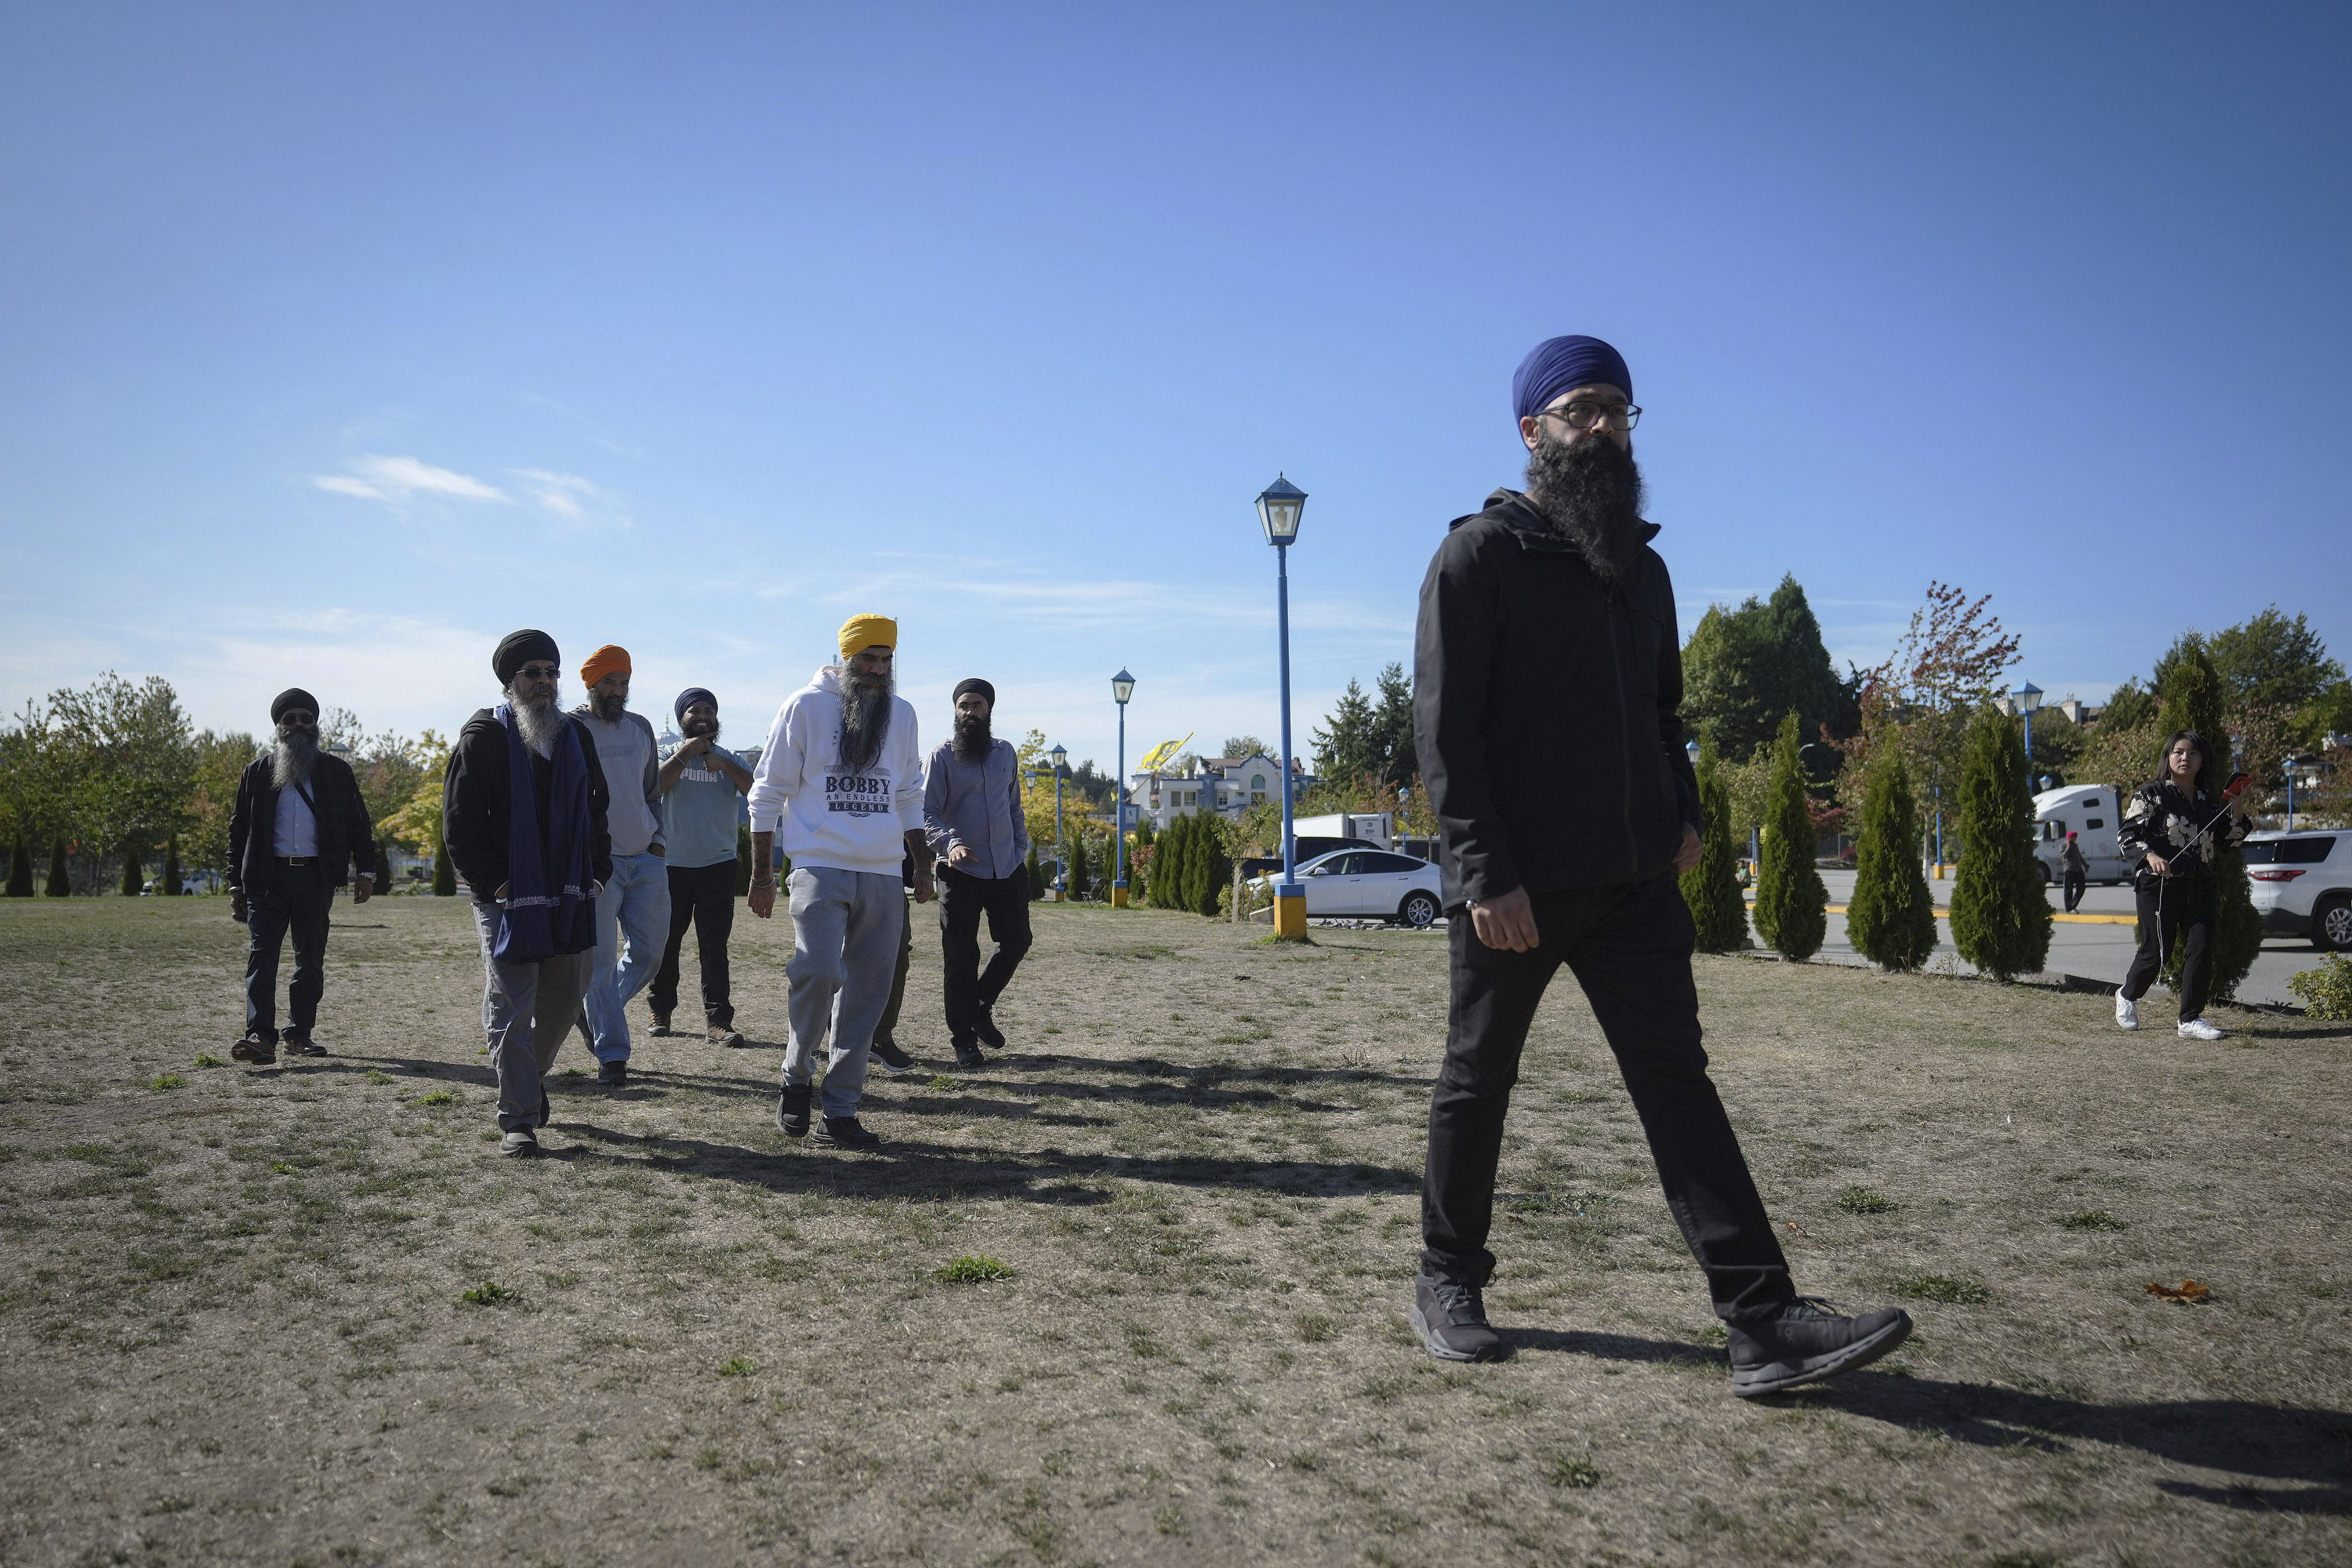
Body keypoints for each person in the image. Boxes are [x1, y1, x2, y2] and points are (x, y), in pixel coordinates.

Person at [1407, 334, 1912, 1394]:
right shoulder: (1478, 557)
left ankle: (1761, 1320)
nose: (1602, 427)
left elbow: (1662, 712)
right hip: (1518, 888)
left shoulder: (1643, 570)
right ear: (1532, 428)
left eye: (1617, 410)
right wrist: (1484, 872)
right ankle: (1447, 1277)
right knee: (1479, 1080)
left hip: (1634, 882)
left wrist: (1683, 812)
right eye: (1581, 409)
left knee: (1679, 1086)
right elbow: (1446, 732)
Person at [746, 615, 933, 1149]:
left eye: (885, 661)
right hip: (818, 866)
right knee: (819, 970)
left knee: (868, 993)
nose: (876, 671)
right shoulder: (805, 706)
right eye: (867, 660)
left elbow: (908, 794)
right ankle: (796, 1074)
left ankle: (842, 1108)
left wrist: (921, 865)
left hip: (883, 872)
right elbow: (767, 792)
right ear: (845, 658)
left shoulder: (902, 713)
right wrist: (762, 873)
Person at [444, 630, 614, 1157]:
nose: (545, 682)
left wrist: (598, 872)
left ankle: (528, 1075)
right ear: (510, 682)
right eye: (532, 673)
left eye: (551, 673)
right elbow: (459, 825)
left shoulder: (575, 736)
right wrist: (497, 883)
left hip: (569, 893)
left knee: (565, 999)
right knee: (513, 1005)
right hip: (507, 898)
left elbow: (596, 810)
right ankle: (518, 1119)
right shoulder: (484, 737)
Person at [225, 688, 379, 1063]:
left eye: (305, 719)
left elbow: (359, 824)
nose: (298, 725)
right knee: (262, 957)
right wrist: (234, 882)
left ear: (315, 724)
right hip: (266, 878)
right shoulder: (257, 772)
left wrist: (366, 872)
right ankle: (260, 1036)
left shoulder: (337, 772)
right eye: (289, 719)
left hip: (315, 878)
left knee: (309, 960)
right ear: (278, 726)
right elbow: (238, 830)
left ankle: (299, 1035)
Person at [569, 645, 669, 1088]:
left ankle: (593, 1011)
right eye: (609, 682)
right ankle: (612, 1056)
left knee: (649, 954)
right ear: (591, 684)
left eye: (623, 683)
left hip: (646, 859)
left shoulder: (641, 727)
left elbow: (651, 792)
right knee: (601, 964)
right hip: (597, 865)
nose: (617, 691)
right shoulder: (570, 729)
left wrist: (659, 840)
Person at [924, 677, 1033, 1070]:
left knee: (1017, 941)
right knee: (961, 955)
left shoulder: (1006, 752)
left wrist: (1019, 848)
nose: (970, 712)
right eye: (963, 705)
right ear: (955, 711)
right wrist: (950, 844)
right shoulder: (941, 757)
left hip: (1007, 865)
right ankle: (964, 1039)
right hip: (959, 871)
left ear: (989, 709)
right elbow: (927, 813)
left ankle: (980, 1006)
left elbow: (1014, 806)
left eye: (977, 705)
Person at [2115, 730, 2251, 1040]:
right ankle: (2127, 994)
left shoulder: (2207, 801)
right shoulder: (2150, 794)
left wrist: (2237, 809)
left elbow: (2229, 840)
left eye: (2193, 753)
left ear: (2202, 761)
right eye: (2178, 752)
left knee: (2201, 949)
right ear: (2168, 757)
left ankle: (2190, 1018)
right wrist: (2150, 856)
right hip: (2159, 885)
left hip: (2200, 885)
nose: (2185, 758)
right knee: (2157, 953)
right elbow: (2127, 835)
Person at [651, 686, 753, 1046]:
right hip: (671, 865)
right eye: (695, 711)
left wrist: (726, 766)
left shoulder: (729, 759)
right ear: (682, 719)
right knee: (666, 943)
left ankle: (718, 1021)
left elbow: (755, 793)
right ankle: (661, 1012)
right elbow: (655, 786)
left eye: (709, 710)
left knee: (714, 945)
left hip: (718, 865)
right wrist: (687, 753)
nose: (703, 716)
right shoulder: (666, 754)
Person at [2061, 830, 2088, 913]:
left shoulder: (2075, 845)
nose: (2074, 840)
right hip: (2069, 870)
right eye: (2073, 839)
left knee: (2081, 888)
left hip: (2078, 870)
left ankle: (2073, 905)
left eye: (2075, 839)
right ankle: (2069, 908)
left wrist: (2085, 865)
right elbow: (2064, 856)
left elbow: (2079, 856)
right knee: (2068, 890)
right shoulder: (2063, 846)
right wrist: (2068, 846)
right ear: (2069, 838)